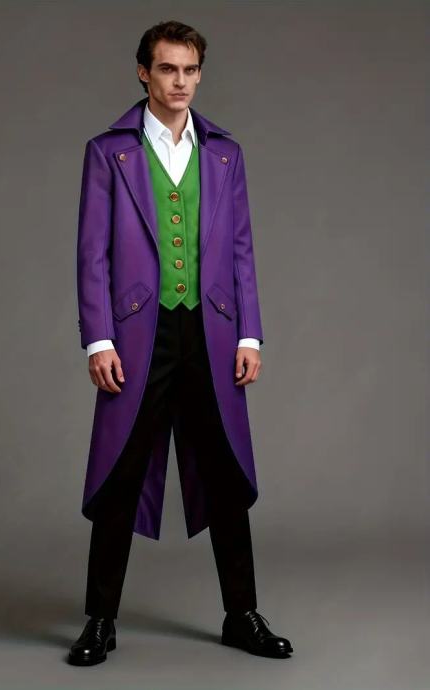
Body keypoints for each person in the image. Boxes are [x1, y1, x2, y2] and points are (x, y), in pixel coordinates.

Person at [68, 19, 293, 666]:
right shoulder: (108, 152)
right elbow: (91, 255)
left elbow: (241, 249)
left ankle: (241, 614)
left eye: (190, 70)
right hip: (136, 336)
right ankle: (100, 620)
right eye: (167, 69)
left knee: (225, 471)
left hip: (210, 333)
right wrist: (98, 340)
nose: (180, 82)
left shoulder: (225, 154)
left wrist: (248, 332)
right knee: (120, 475)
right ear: (144, 72)